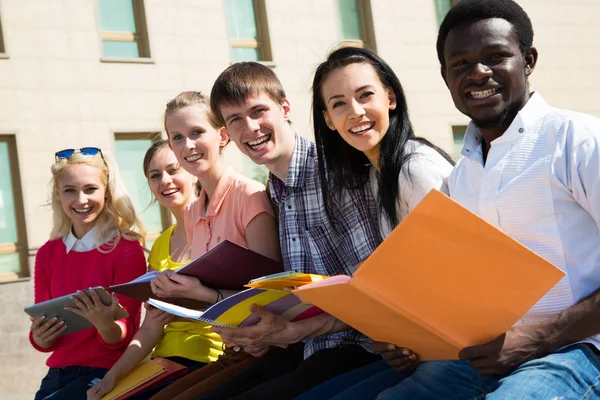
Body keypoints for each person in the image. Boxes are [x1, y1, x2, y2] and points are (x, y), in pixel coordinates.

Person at [360, 0, 600, 399]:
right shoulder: (461, 177)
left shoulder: (579, 140)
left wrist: (539, 337)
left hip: (580, 348)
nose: (478, 73)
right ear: (445, 76)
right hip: (487, 352)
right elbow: (455, 287)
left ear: (528, 60)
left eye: (495, 57)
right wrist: (407, 337)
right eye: (460, 64)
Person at [199, 62, 383, 400]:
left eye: (258, 111)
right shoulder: (274, 192)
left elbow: (373, 294)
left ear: (284, 108)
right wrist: (256, 333)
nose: (250, 127)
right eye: (235, 120)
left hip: (367, 347)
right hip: (309, 347)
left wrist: (289, 331)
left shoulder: (336, 174)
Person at [294, 46, 455, 400]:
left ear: (391, 98)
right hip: (421, 345)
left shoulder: (415, 169)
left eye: (365, 95)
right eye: (339, 104)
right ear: (328, 120)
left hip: (466, 349)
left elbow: (458, 273)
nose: (355, 112)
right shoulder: (375, 175)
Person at [140, 91, 282, 400]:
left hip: (268, 350)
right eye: (176, 137)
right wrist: (171, 295)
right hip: (231, 350)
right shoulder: (193, 213)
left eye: (196, 133)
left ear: (222, 135)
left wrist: (199, 294)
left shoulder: (250, 196)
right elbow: (206, 297)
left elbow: (271, 297)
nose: (187, 146)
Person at [87, 140, 211, 400]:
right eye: (155, 176)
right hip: (164, 362)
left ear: (192, 170)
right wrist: (112, 376)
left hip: (211, 358)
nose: (165, 180)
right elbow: (151, 327)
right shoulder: (160, 246)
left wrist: (180, 312)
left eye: (173, 170)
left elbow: (235, 304)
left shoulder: (218, 228)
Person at [29, 147, 147, 399]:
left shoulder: (126, 249)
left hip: (105, 371)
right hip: (56, 374)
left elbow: (124, 335)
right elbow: (45, 337)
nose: (81, 200)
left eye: (90, 189)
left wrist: (104, 323)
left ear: (106, 191)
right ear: (58, 195)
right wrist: (40, 337)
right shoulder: (47, 254)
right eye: (70, 190)